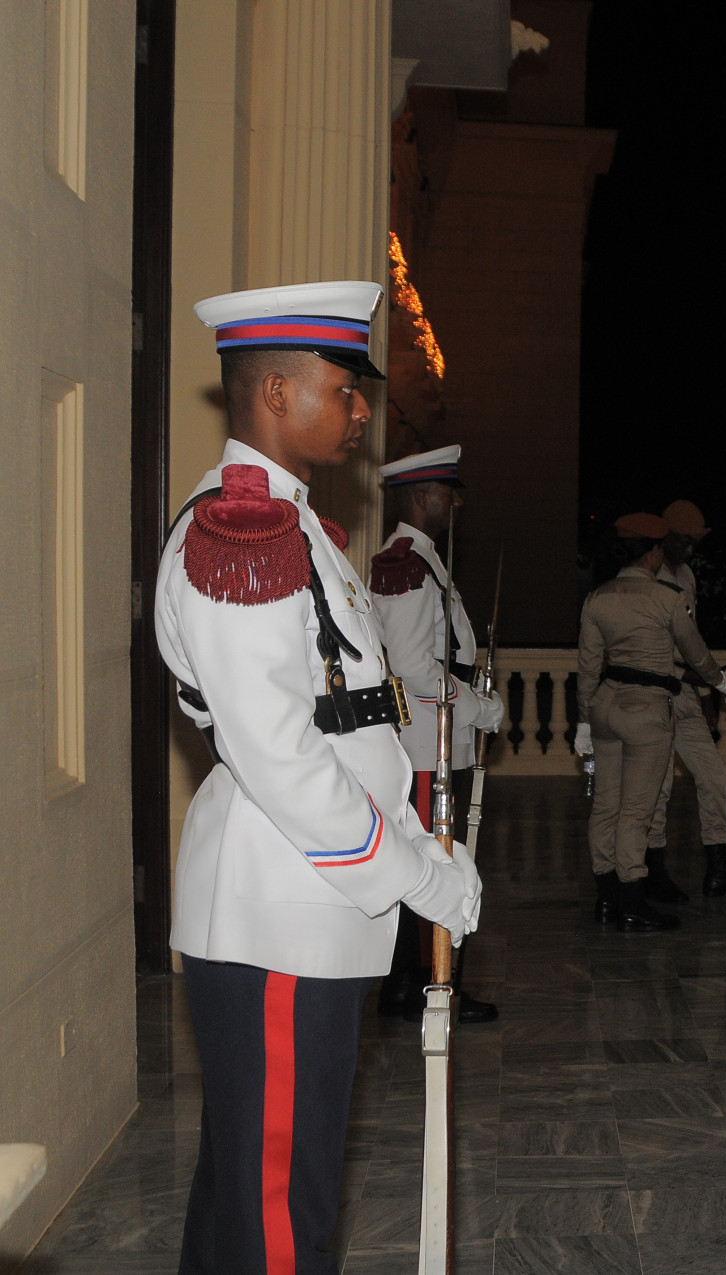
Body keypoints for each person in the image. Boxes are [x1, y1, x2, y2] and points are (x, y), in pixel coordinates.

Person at [158, 281, 482, 1274]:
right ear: (273, 394)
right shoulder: (240, 534)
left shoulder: (301, 534)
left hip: (313, 907)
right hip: (279, 913)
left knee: (252, 1195)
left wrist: (424, 848)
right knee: (276, 1213)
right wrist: (412, 875)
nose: (359, 411)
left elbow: (360, 724)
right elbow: (282, 757)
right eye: (342, 389)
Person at [369, 445, 505, 1025]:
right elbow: (413, 665)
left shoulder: (423, 563)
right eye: (448, 493)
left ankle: (408, 984)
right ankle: (429, 985)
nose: (454, 504)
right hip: (429, 743)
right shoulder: (407, 564)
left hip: (437, 736)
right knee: (434, 863)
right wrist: (479, 708)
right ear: (422, 497)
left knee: (432, 860)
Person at [575, 513, 726, 931]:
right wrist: (720, 681)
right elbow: (695, 653)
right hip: (646, 707)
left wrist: (583, 723)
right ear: (652, 553)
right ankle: (633, 899)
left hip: (605, 704)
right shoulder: (667, 597)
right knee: (637, 809)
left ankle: (607, 899)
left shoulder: (597, 597)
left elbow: (588, 668)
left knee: (606, 805)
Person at [645, 499, 726, 898]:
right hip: (655, 692)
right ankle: (654, 871)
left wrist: (705, 695)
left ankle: (718, 868)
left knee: (714, 776)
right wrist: (696, 678)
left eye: (695, 541)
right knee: (659, 786)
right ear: (664, 537)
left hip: (684, 693)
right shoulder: (648, 576)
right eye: (684, 540)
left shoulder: (687, 575)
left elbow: (691, 639)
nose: (690, 548)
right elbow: (647, 649)